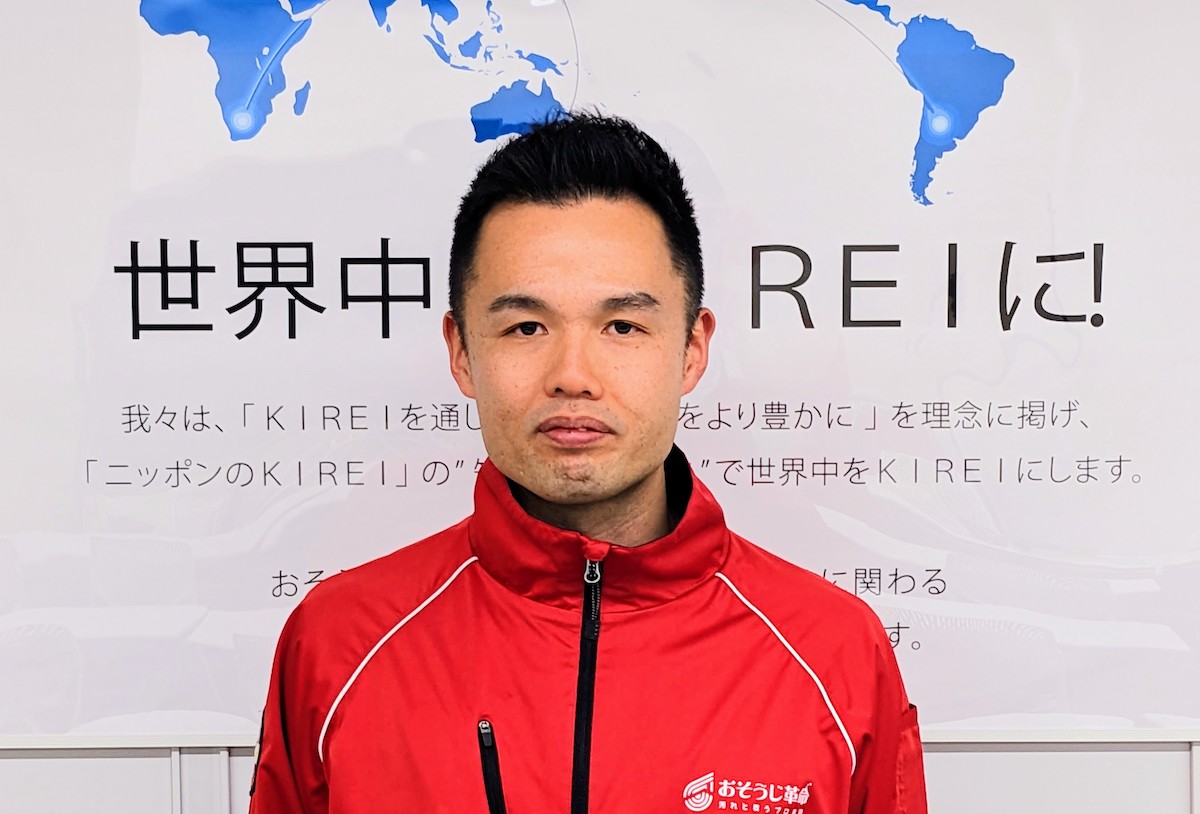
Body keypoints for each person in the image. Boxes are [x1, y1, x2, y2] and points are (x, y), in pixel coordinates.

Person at [249, 113, 928, 814]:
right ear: (462, 353)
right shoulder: (338, 644)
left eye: (622, 326)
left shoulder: (835, 653)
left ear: (692, 350)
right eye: (526, 327)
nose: (573, 375)